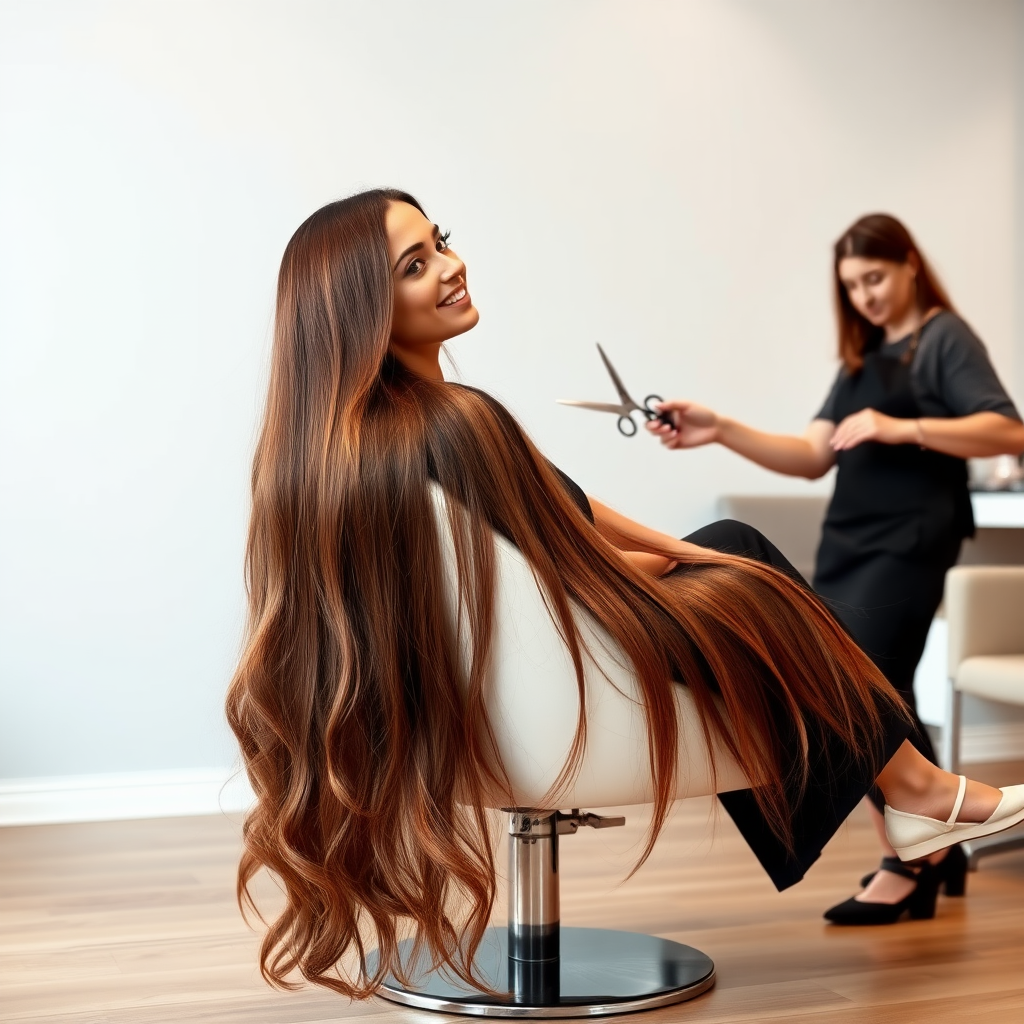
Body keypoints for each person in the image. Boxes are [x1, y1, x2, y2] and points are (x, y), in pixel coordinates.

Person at [227, 192, 1024, 997]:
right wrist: (716, 569)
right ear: (361, 307)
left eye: (441, 242)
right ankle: (917, 791)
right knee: (742, 561)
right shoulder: (457, 423)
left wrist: (694, 559)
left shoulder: (369, 440)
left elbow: (560, 530)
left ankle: (912, 796)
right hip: (552, 693)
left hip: (469, 701)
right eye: (416, 264)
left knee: (733, 557)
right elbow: (567, 566)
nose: (452, 265)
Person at [648, 213, 1024, 924]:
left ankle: (910, 856)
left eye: (875, 279)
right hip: (848, 540)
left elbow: (1007, 428)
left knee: (863, 680)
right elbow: (813, 455)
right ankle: (932, 849)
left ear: (911, 264)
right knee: (878, 684)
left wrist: (904, 427)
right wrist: (720, 429)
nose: (865, 298)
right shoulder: (859, 362)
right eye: (852, 287)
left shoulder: (943, 337)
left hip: (911, 538)